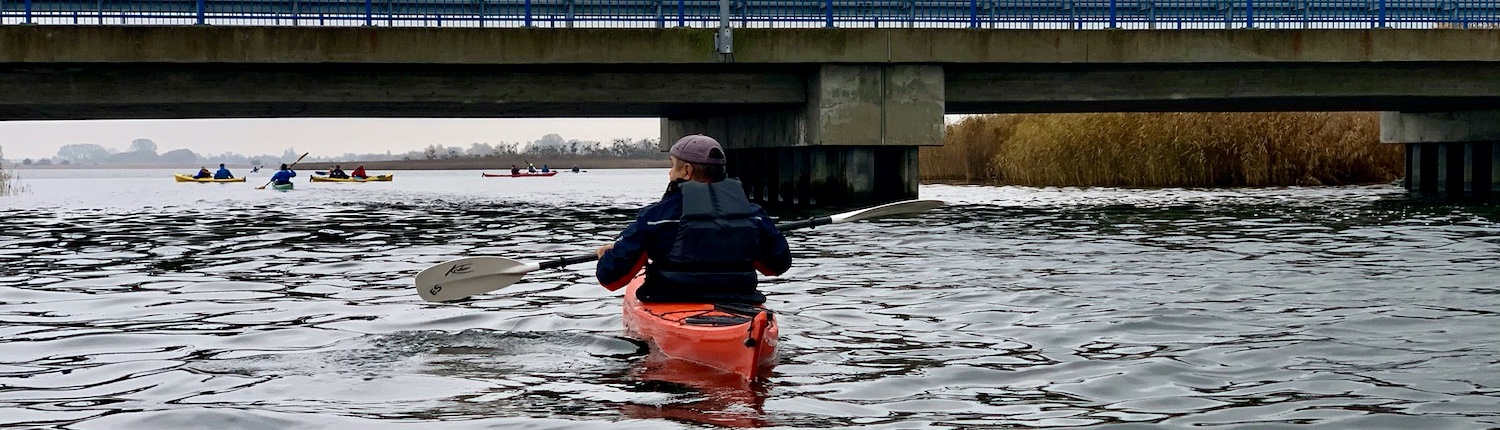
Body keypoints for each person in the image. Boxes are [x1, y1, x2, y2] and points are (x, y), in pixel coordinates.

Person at [595, 134, 791, 304]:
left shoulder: (655, 218)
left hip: (671, 302)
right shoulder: (753, 215)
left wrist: (606, 256)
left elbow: (611, 277)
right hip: (740, 302)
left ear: (686, 171)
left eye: (673, 166)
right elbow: (778, 264)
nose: (670, 173)